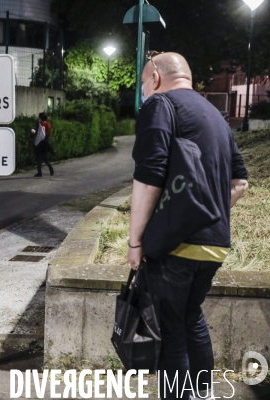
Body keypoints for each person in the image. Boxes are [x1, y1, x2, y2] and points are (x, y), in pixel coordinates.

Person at [127, 52, 248, 400]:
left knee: (170, 328)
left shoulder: (160, 106)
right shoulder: (215, 114)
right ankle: (202, 393)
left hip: (175, 246)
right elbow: (240, 182)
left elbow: (149, 178)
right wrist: (205, 211)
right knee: (190, 316)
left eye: (143, 83)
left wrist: (135, 242)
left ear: (154, 77)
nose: (143, 91)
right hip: (214, 243)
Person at [32, 112, 54, 177]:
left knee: (38, 157)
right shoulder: (48, 124)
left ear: (40, 117)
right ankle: (50, 167)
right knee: (45, 157)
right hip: (45, 142)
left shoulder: (39, 124)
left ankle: (39, 172)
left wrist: (33, 131)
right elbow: (48, 133)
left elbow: (37, 133)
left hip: (39, 143)